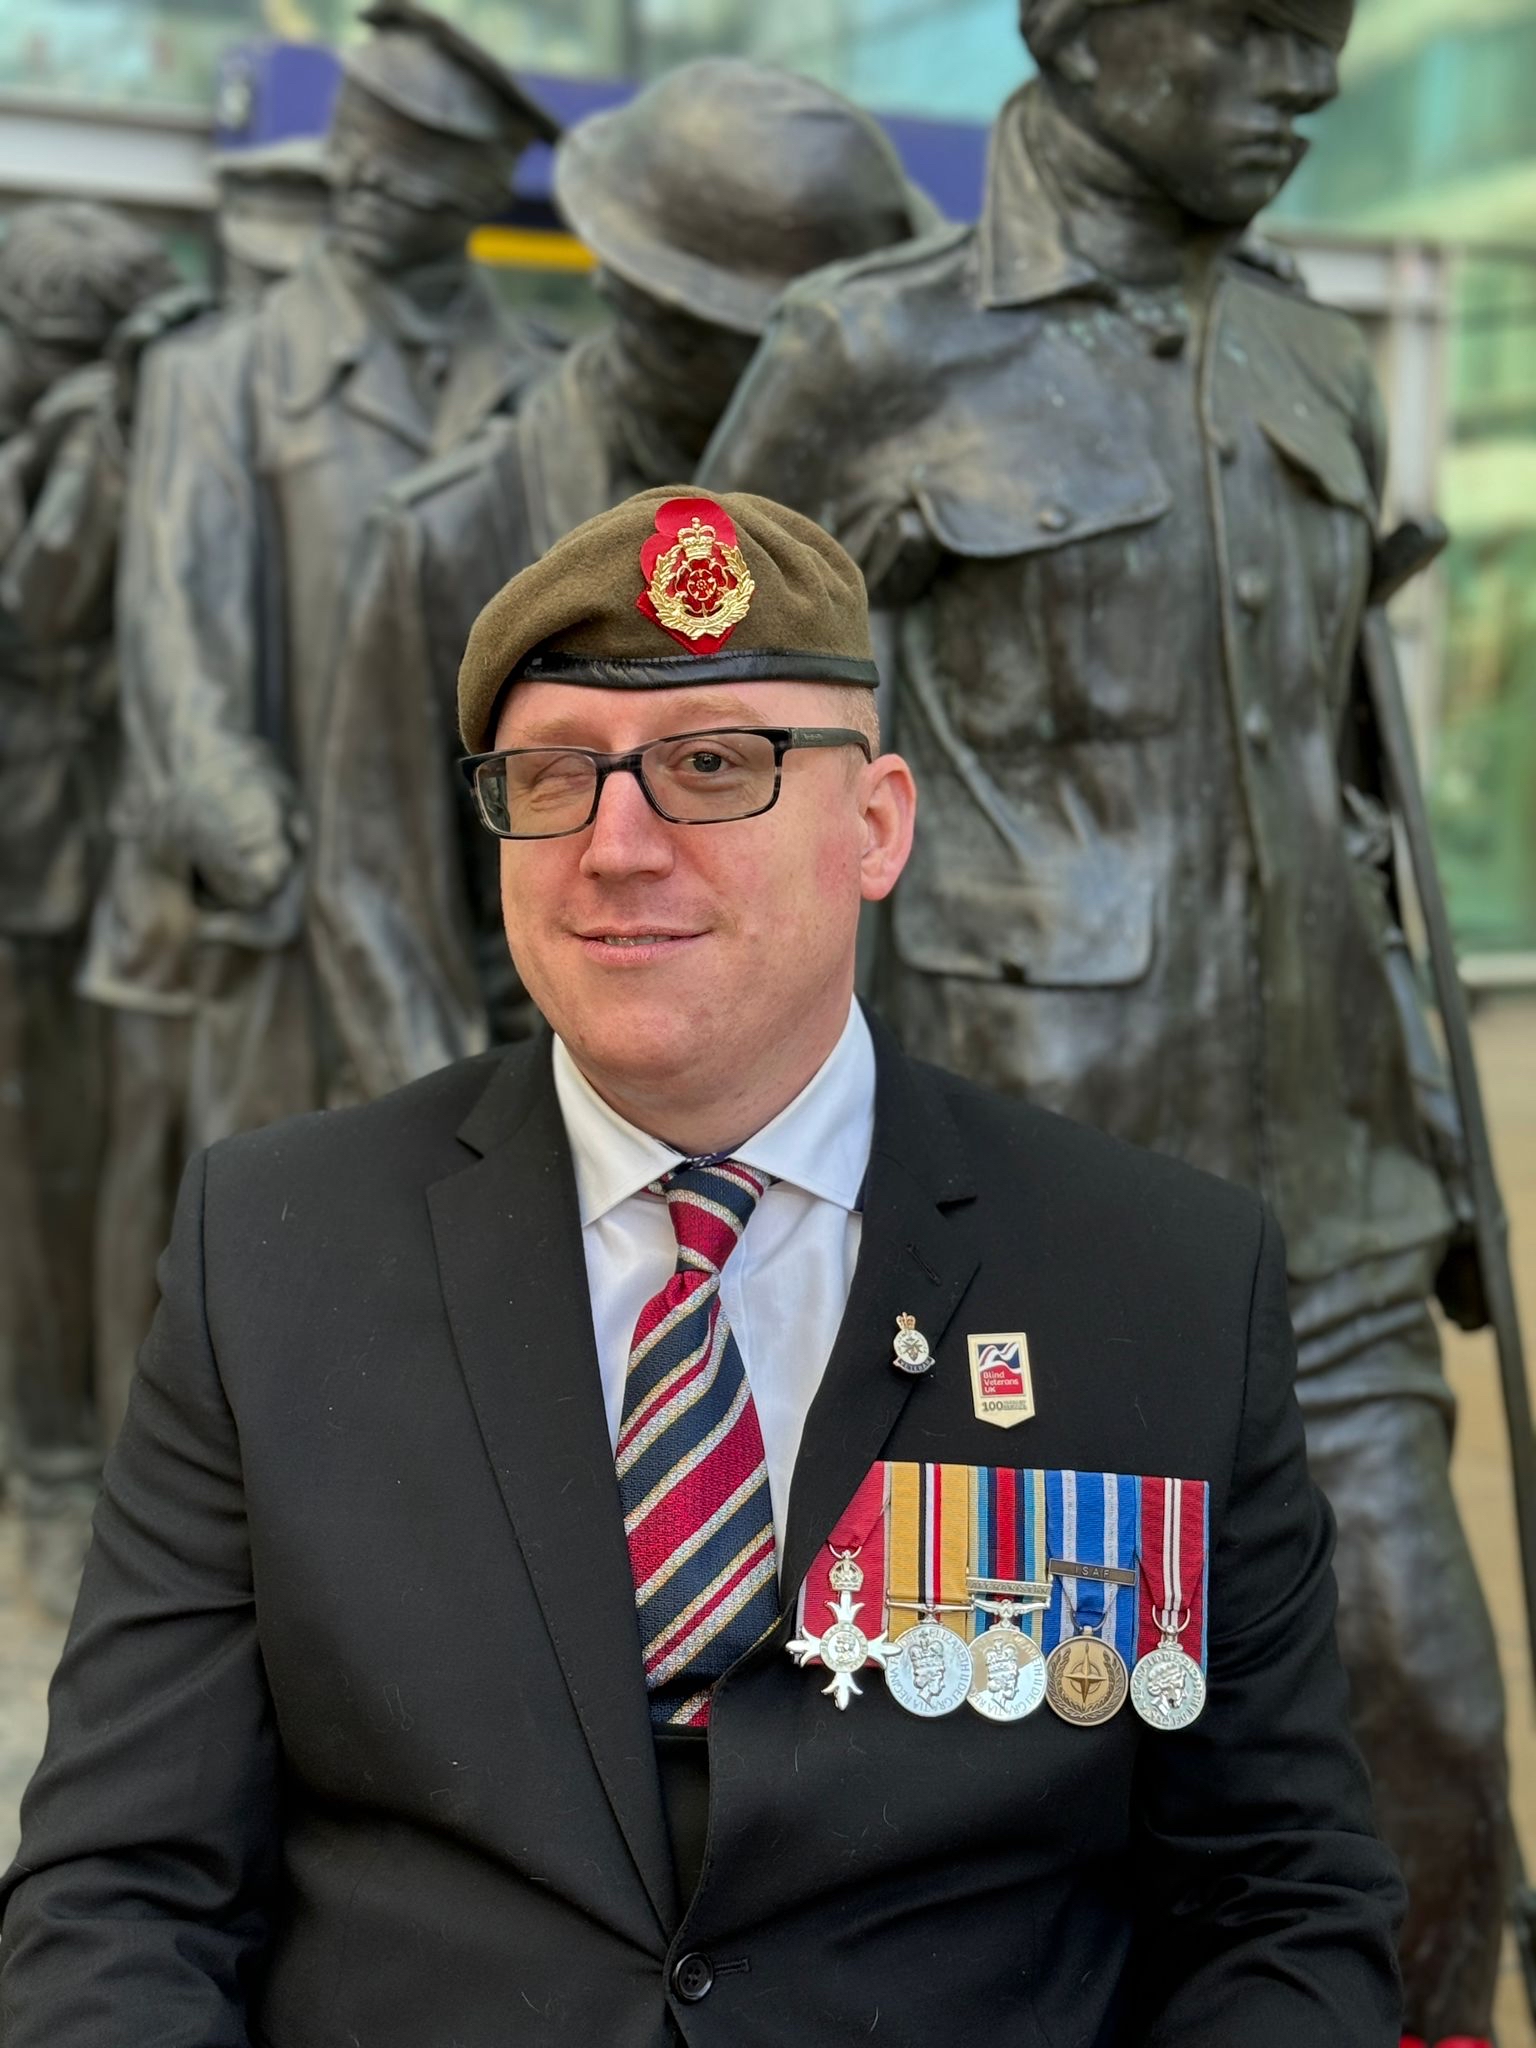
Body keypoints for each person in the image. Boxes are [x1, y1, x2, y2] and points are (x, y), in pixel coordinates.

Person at [2, 486, 1403, 2046]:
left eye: (714, 765)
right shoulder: (277, 1256)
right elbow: (121, 1892)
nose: (616, 846)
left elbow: (1279, 1901)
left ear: (877, 825)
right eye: (553, 776)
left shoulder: (1156, 1282)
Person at [697, 5, 1504, 2038]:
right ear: (1072, 27)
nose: (1305, 81)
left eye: (1328, 34)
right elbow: (710, 771)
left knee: (1432, 1739)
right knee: (1026, 1790)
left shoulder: (1315, 353)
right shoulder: (867, 354)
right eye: (1248, 26)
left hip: (1327, 1208)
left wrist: (1435, 1124)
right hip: (1024, 1250)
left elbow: (1355, 801)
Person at [309, 58, 937, 1101]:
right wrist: (473, 1174)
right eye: (785, 344)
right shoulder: (447, 532)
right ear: (644, 307)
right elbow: (378, 912)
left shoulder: (886, 519)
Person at [116, 0, 559, 1148]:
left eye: (403, 164)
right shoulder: (221, 373)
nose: (361, 180)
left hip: (503, 902)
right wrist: (245, 833)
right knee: (296, 1212)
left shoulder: (546, 395)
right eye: (353, 147)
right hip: (301, 909)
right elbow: (176, 627)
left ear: (476, 190)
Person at [79, 139, 335, 1452]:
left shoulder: (311, 388)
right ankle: (131, 1455)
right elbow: (143, 626)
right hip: (175, 872)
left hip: (289, 865)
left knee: (250, 1178)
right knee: (152, 1165)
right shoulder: (176, 379)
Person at [0, 201, 178, 1614]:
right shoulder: (55, 444)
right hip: (41, 859)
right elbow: (39, 604)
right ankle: (49, 1455)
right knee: (41, 1164)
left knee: (80, 1165)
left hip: (87, 863)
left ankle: (76, 1459)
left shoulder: (115, 440)